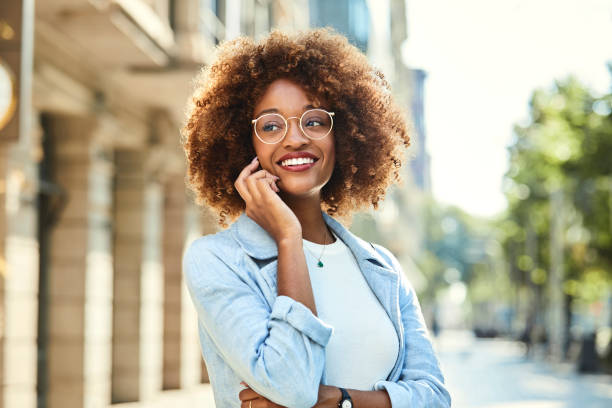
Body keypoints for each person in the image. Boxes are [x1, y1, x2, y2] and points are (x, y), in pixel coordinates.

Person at [181, 29, 451, 408]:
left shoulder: (382, 268)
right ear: (244, 144)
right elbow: (292, 385)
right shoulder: (218, 260)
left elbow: (436, 397)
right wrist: (289, 237)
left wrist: (342, 400)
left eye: (314, 121)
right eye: (271, 126)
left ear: (343, 135)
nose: (295, 139)